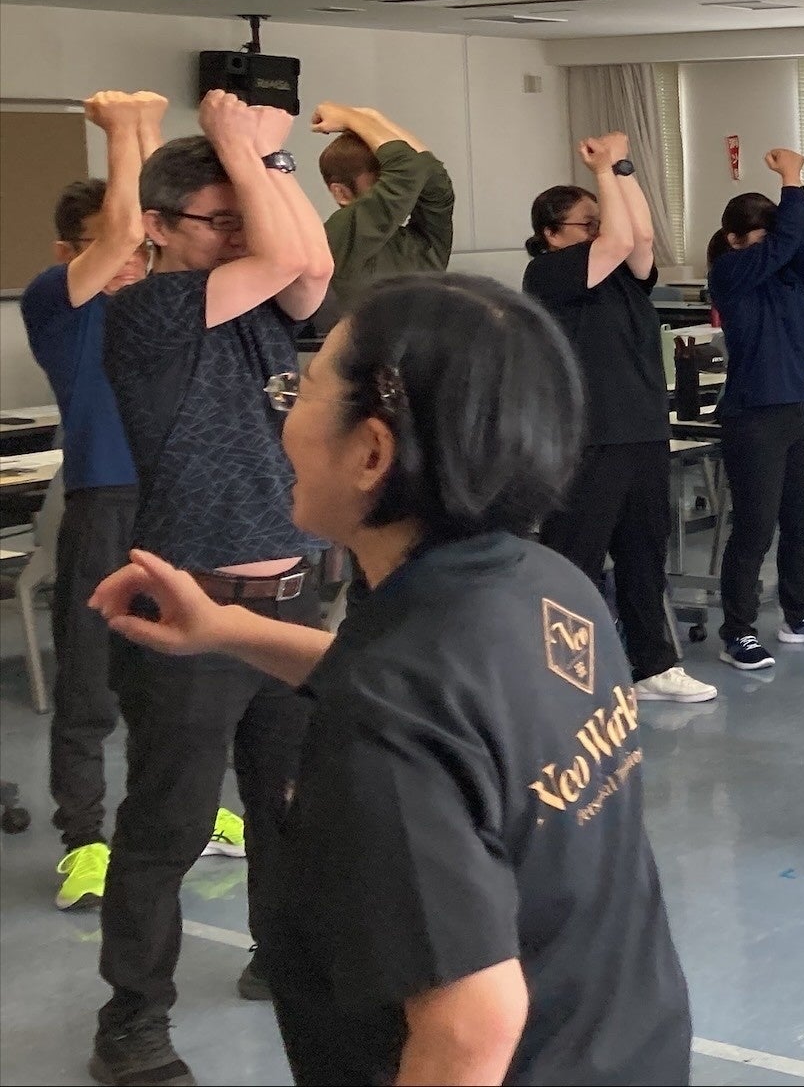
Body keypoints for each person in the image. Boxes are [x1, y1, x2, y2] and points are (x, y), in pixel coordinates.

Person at [91, 273, 693, 1086]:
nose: (281, 423)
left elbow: (472, 1028)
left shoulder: (385, 714)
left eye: (299, 393)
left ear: (372, 452)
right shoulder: (544, 585)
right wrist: (226, 628)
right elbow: (449, 715)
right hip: (630, 1044)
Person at [92, 91, 335, 1085]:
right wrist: (247, 145)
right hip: (191, 607)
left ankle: (283, 958)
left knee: (288, 808)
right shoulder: (147, 310)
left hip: (288, 598)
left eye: (244, 218)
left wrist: (265, 163)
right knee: (168, 824)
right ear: (156, 226)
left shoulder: (259, 307)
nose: (242, 234)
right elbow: (282, 256)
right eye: (218, 220)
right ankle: (131, 1019)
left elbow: (310, 267)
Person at [20, 94, 157, 914]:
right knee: (89, 684)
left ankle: (175, 814)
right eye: (115, 249)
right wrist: (123, 133)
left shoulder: (154, 305)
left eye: (142, 252)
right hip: (104, 503)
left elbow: (148, 228)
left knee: (175, 679)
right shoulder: (55, 302)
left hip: (171, 503)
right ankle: (85, 840)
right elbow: (123, 232)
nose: (131, 262)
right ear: (67, 252)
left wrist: (145, 135)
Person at [525, 136, 715, 705]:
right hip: (591, 437)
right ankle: (562, 676)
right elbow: (617, 240)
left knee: (643, 553)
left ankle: (653, 665)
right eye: (585, 224)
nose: (599, 229)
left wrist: (624, 171)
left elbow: (640, 238)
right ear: (551, 234)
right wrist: (604, 170)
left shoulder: (624, 276)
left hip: (643, 429)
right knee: (575, 559)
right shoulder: (549, 274)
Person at [705, 149, 804, 671]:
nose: (775, 246)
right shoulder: (730, 272)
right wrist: (791, 178)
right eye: (762, 237)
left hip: (796, 410)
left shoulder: (786, 273)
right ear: (735, 239)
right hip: (753, 416)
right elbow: (788, 240)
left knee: (803, 521)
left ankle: (800, 615)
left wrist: (796, 190)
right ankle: (737, 631)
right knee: (754, 529)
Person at [312, 101, 454, 311]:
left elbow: (428, 171)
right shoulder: (336, 238)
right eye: (381, 182)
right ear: (341, 193)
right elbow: (408, 168)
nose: (403, 189)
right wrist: (351, 118)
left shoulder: (419, 243)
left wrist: (372, 118)